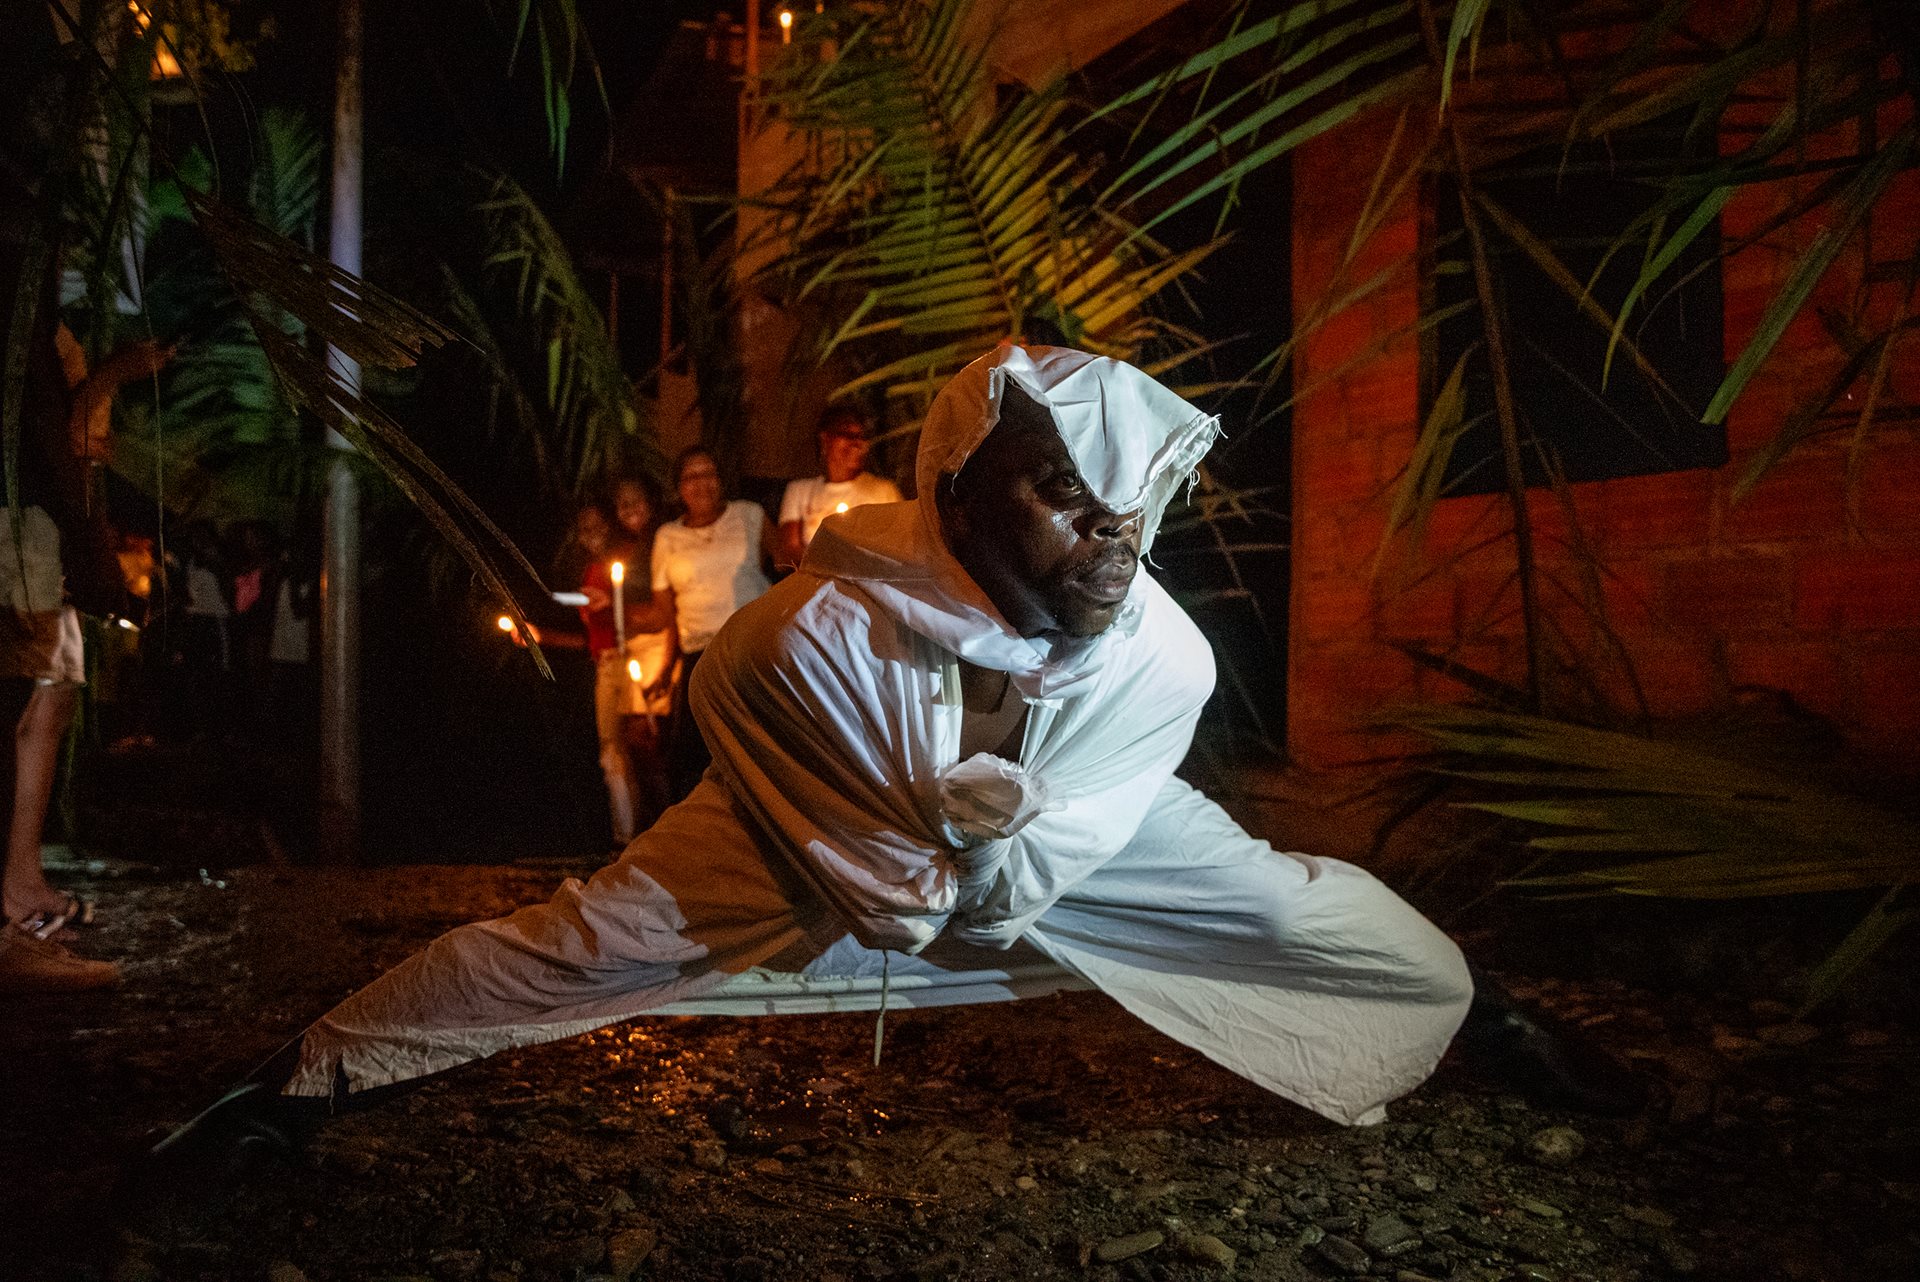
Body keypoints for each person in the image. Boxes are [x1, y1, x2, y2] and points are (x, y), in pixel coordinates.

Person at [145, 345, 1636, 1183]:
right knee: (582, 945)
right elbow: (911, 909)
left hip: (1071, 843)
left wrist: (1002, 828)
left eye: (1130, 504)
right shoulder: (802, 645)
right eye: (1063, 494)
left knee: (1286, 908)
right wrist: (970, 831)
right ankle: (303, 1076)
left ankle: (1483, 1018)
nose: (1111, 537)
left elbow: (1006, 890)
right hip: (797, 845)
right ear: (958, 494)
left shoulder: (1160, 662)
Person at [649, 446, 775, 799]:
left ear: (721, 480)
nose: (701, 483)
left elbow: (790, 564)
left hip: (751, 643)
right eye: (691, 477)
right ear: (679, 487)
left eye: (709, 474)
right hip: (700, 652)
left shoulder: (749, 514)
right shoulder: (667, 537)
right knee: (694, 752)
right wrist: (664, 667)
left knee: (759, 741)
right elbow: (665, 615)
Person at [576, 480, 674, 845]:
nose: (630, 510)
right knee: (621, 748)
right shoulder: (601, 567)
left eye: (598, 524)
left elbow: (665, 612)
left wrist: (667, 661)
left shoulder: (657, 545)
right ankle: (631, 838)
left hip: (652, 650)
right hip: (618, 657)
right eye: (622, 504)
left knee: (648, 741)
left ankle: (668, 832)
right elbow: (596, 635)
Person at [777, 406, 903, 568]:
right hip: (816, 579)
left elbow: (899, 546)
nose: (857, 443)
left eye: (862, 437)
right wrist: (831, 563)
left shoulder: (883, 491)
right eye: (848, 435)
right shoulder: (799, 491)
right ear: (825, 439)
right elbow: (788, 552)